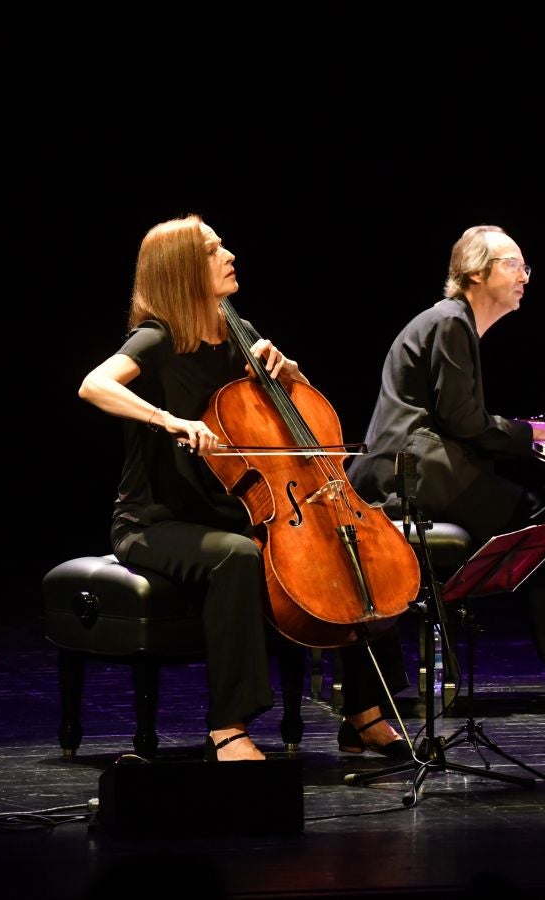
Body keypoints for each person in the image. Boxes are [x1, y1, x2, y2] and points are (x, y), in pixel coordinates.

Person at [79, 214, 414, 762]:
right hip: (156, 521)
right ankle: (228, 726)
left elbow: (306, 423)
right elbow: (93, 385)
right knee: (234, 557)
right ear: (186, 270)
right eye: (214, 250)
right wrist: (170, 420)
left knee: (348, 547)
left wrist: (291, 372)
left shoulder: (243, 334)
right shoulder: (157, 338)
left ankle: (364, 715)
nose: (229, 254)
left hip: (236, 509)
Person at [347, 224, 545, 704]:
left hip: (421, 464)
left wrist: (543, 429)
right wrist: (535, 433)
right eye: (513, 265)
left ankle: (514, 628)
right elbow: (465, 421)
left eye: (525, 266)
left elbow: (462, 418)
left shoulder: (454, 322)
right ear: (476, 273)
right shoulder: (450, 323)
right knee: (538, 517)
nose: (524, 276)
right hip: (413, 472)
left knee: (526, 510)